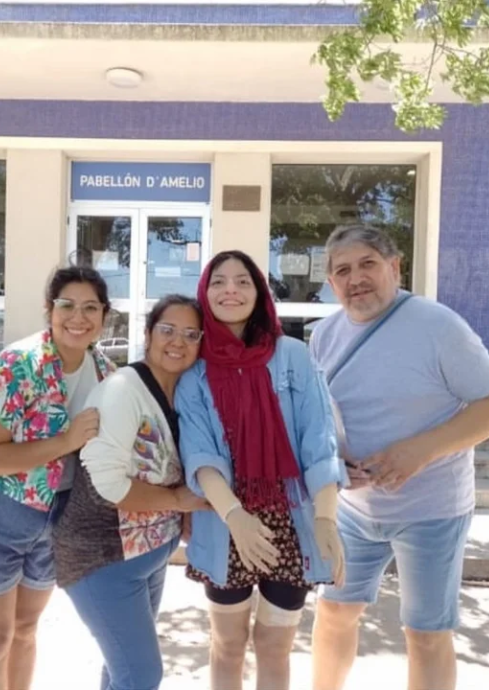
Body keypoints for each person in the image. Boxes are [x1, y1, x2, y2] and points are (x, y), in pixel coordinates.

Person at [309, 225, 489, 690]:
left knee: (425, 632)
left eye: (367, 264)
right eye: (343, 270)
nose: (356, 278)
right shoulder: (323, 336)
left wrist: (419, 452)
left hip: (432, 511)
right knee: (334, 612)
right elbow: (327, 416)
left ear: (395, 267)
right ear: (330, 282)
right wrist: (334, 461)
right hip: (353, 511)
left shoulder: (439, 326)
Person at [0, 265, 115, 690]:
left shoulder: (108, 373)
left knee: (25, 629)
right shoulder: (16, 365)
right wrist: (65, 440)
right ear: (48, 310)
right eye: (66, 305)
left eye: (90, 307)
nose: (78, 317)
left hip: (57, 515)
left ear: (105, 317)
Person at [175, 250, 346, 690]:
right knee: (228, 644)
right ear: (204, 293)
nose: (230, 289)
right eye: (218, 281)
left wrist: (326, 516)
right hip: (224, 520)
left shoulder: (293, 356)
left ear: (260, 293)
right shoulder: (194, 371)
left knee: (275, 646)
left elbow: (319, 440)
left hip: (290, 521)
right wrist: (235, 517)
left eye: (242, 281)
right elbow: (199, 453)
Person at [53, 294, 210, 690]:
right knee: (141, 675)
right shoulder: (124, 389)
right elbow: (108, 485)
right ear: (148, 334)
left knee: (121, 669)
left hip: (148, 556)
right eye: (168, 330)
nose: (178, 341)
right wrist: (176, 501)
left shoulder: (187, 392)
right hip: (101, 560)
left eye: (190, 334)